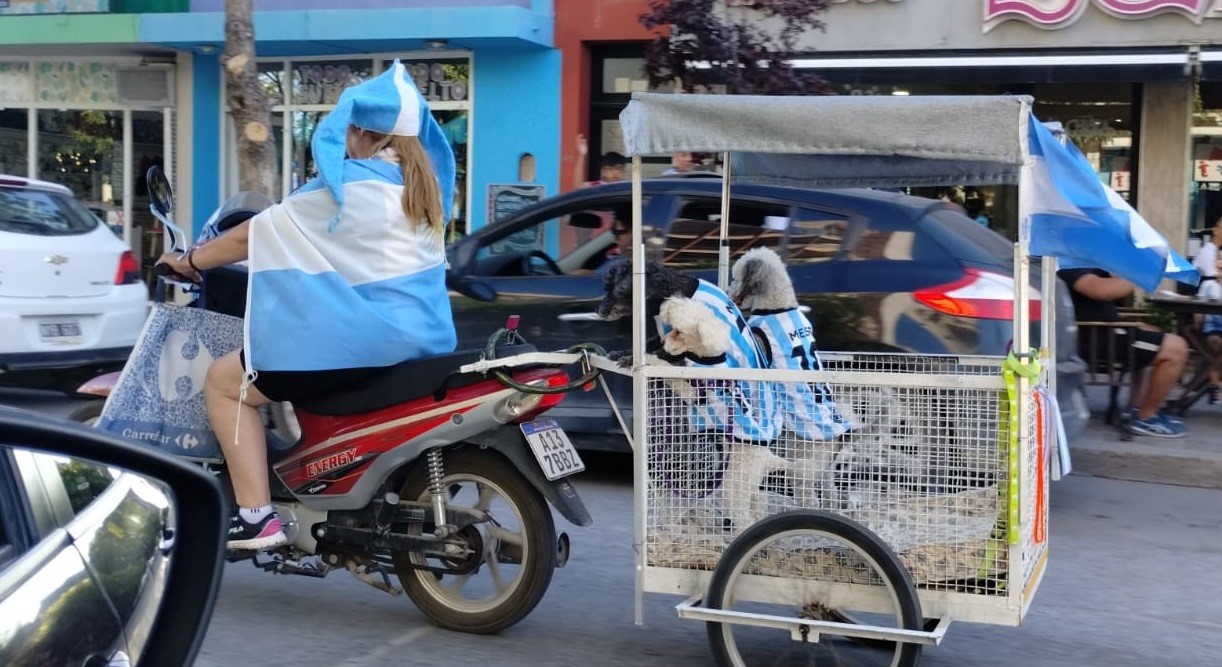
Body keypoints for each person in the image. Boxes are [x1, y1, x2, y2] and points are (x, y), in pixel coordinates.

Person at [157, 62, 457, 550]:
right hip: (424, 342)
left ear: (357, 130)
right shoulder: (425, 191)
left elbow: (254, 234)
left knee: (223, 381)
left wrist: (191, 260)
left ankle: (257, 517)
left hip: (362, 347)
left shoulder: (344, 188)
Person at [1058, 267, 1189, 437]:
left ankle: (1136, 407)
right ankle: (1147, 417)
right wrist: (1138, 274)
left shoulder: (1083, 267)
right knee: (1177, 348)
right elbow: (1101, 291)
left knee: (1155, 333)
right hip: (1098, 339)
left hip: (1105, 334)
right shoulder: (1073, 267)